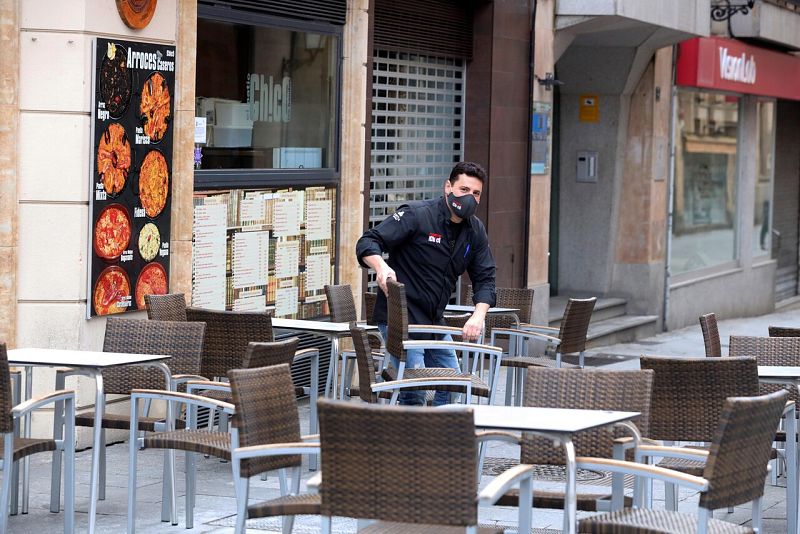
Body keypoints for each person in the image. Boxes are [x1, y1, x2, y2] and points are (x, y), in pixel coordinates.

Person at [356, 161, 497, 405]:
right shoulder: (417, 214)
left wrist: (478, 315)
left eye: (476, 194)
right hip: (401, 320)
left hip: (433, 321)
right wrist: (382, 267)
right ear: (448, 187)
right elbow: (369, 241)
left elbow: (485, 276)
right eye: (464, 190)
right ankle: (410, 442)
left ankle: (437, 439)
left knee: (453, 384)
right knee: (415, 390)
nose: (470, 198)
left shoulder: (475, 231)